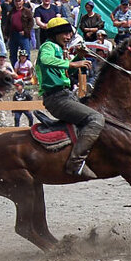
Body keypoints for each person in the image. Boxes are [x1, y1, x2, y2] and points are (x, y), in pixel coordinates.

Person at [35, 16, 104, 180]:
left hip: (66, 95)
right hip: (57, 98)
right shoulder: (48, 46)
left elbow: (66, 73)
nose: (68, 37)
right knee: (95, 118)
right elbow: (45, 60)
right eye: (65, 34)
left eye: (69, 34)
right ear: (55, 33)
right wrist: (72, 64)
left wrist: (78, 58)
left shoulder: (59, 50)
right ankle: (75, 162)